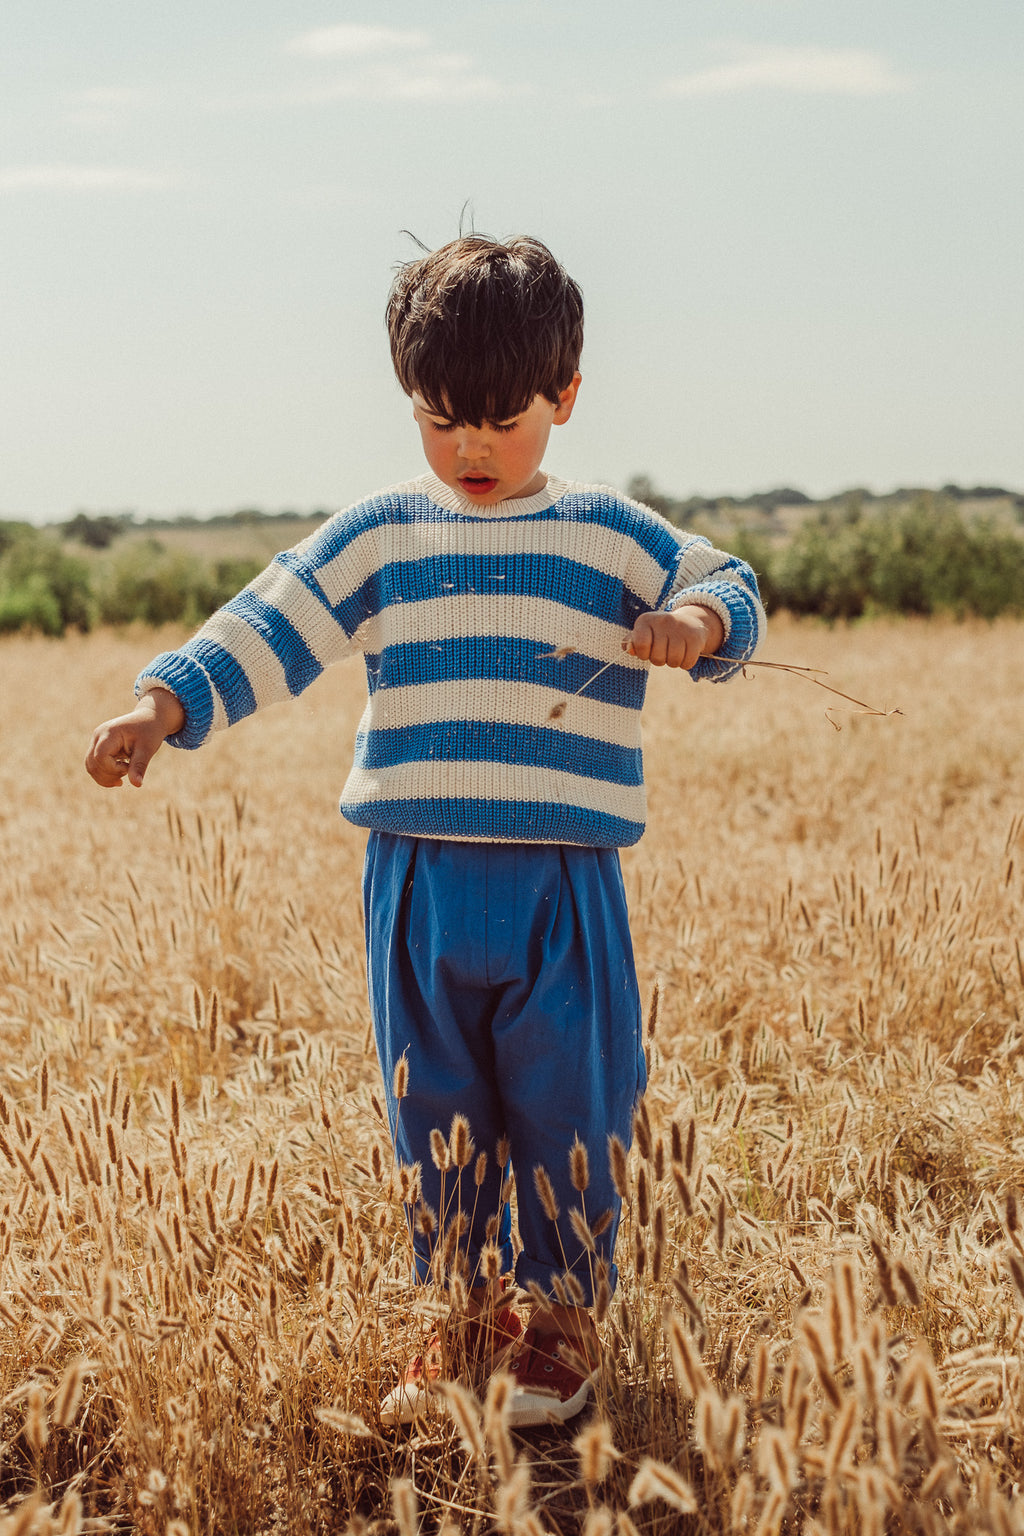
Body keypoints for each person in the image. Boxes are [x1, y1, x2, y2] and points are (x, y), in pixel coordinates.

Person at [86, 233, 765, 1428]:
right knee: (432, 1105)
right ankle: (450, 1320)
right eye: (440, 420)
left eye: (501, 421)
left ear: (564, 397)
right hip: (416, 881)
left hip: (563, 879)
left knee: (572, 1101)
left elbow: (730, 582)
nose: (471, 449)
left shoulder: (610, 534)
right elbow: (274, 619)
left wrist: (697, 623)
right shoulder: (384, 533)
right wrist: (164, 703)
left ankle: (557, 1334)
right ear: (411, 404)